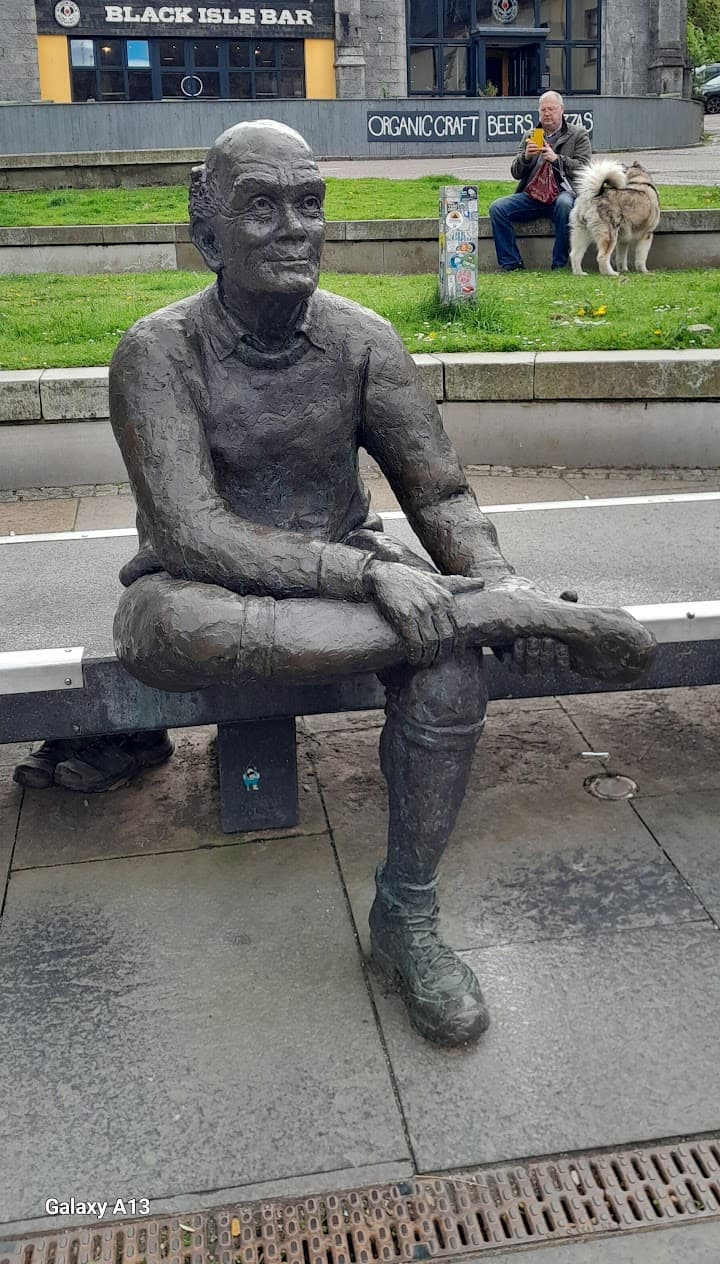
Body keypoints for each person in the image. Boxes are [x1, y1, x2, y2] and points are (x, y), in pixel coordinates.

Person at [15, 121, 652, 1047]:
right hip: (200, 590)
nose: (294, 228)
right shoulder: (155, 353)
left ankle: (406, 916)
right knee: (174, 628)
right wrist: (396, 581)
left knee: (448, 668)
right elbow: (193, 531)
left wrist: (489, 571)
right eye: (261, 207)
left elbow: (440, 493)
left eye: (309, 204)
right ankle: (478, 616)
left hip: (351, 588)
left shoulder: (363, 341)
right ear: (207, 232)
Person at [489, 91, 592, 271]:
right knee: (497, 208)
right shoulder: (531, 135)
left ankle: (559, 264)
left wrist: (557, 159)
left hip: (562, 193)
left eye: (551, 109)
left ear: (562, 110)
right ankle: (511, 263)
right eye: (543, 110)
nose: (547, 114)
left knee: (564, 204)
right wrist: (526, 157)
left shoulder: (578, 134)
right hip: (533, 195)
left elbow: (584, 168)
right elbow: (515, 172)